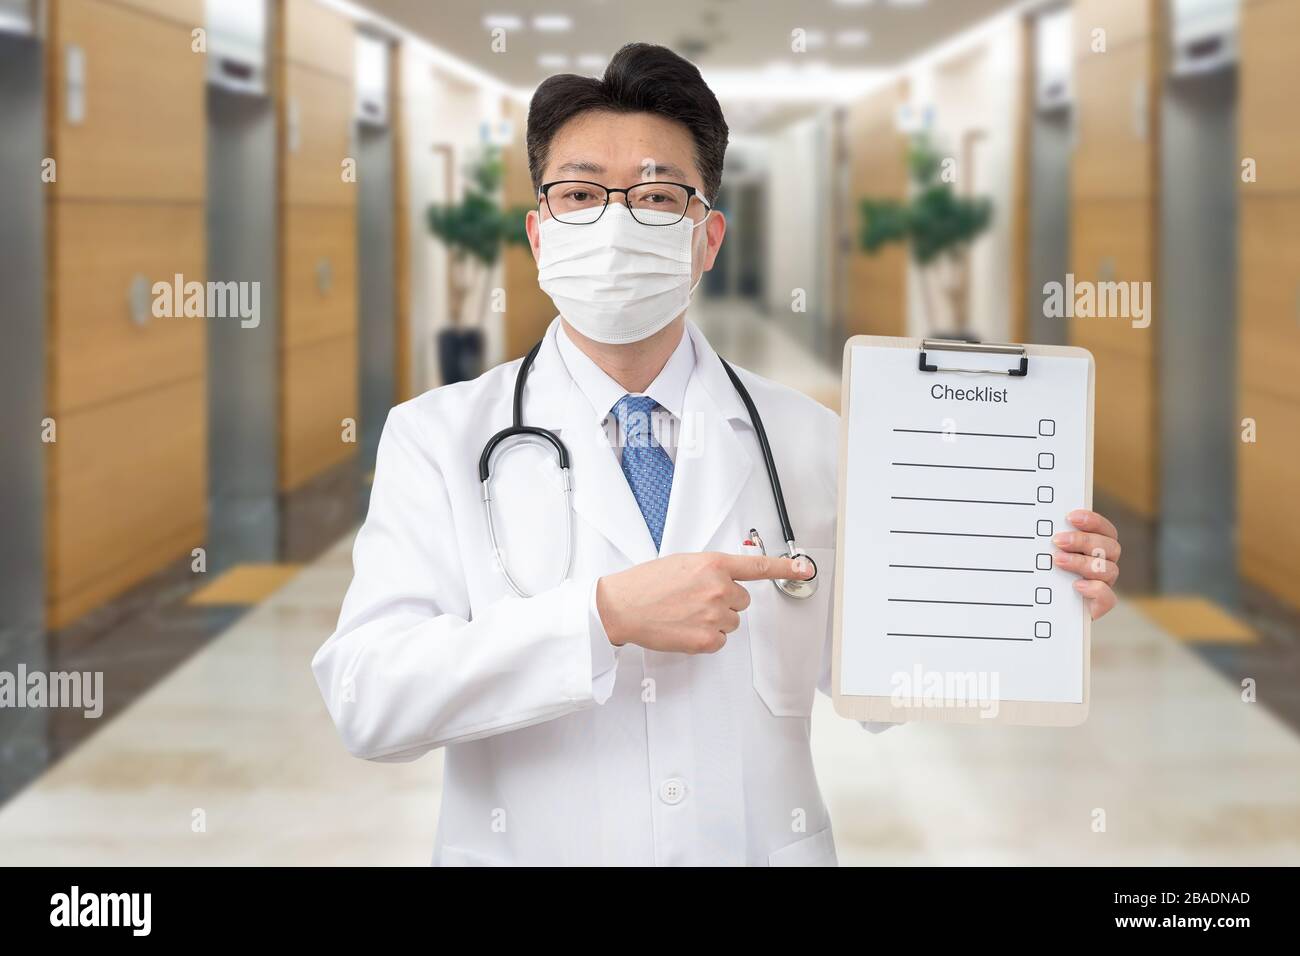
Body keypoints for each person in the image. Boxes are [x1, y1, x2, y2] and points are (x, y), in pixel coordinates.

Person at [311, 43, 1122, 866]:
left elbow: (891, 674)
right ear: (539, 235)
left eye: (659, 196)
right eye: (582, 193)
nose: (619, 222)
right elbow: (368, 698)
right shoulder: (439, 437)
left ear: (708, 238)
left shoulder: (814, 440)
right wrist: (602, 617)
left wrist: (1035, 587)